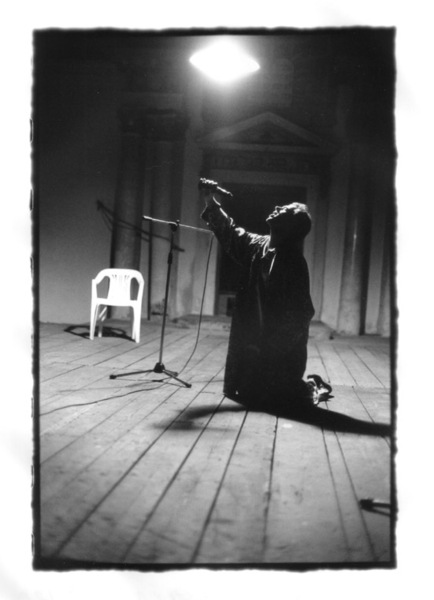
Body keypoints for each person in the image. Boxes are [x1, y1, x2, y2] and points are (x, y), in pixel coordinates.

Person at [199, 179, 332, 411]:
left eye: (286, 210)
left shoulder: (293, 263)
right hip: (253, 345)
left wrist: (271, 350)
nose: (278, 207)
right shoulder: (259, 245)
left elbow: (300, 314)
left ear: (290, 226)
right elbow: (231, 233)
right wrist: (210, 200)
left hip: (276, 352)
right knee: (245, 392)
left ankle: (312, 386)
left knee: (278, 397)